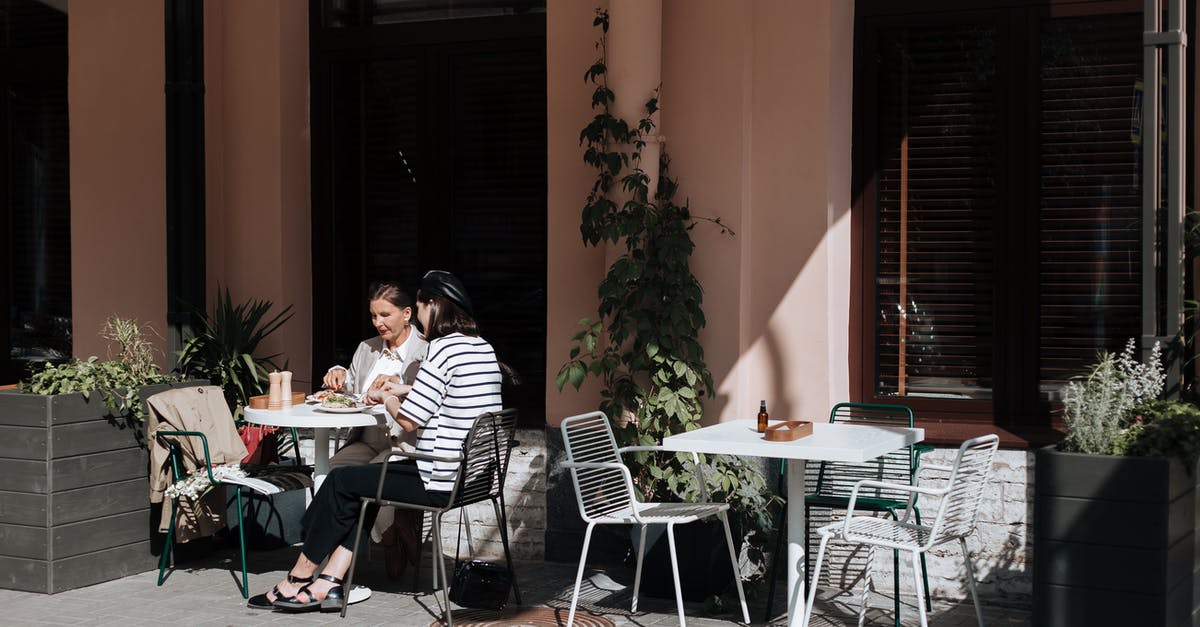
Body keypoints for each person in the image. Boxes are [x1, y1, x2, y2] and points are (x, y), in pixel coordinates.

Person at [255, 270, 503, 613]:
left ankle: (297, 577)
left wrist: (385, 397)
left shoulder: (441, 350)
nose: (418, 316)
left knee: (342, 483)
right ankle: (329, 583)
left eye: (418, 308)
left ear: (433, 306)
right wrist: (402, 388)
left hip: (439, 479)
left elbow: (407, 419)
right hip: (476, 479)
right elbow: (447, 395)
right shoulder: (481, 348)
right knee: (357, 489)